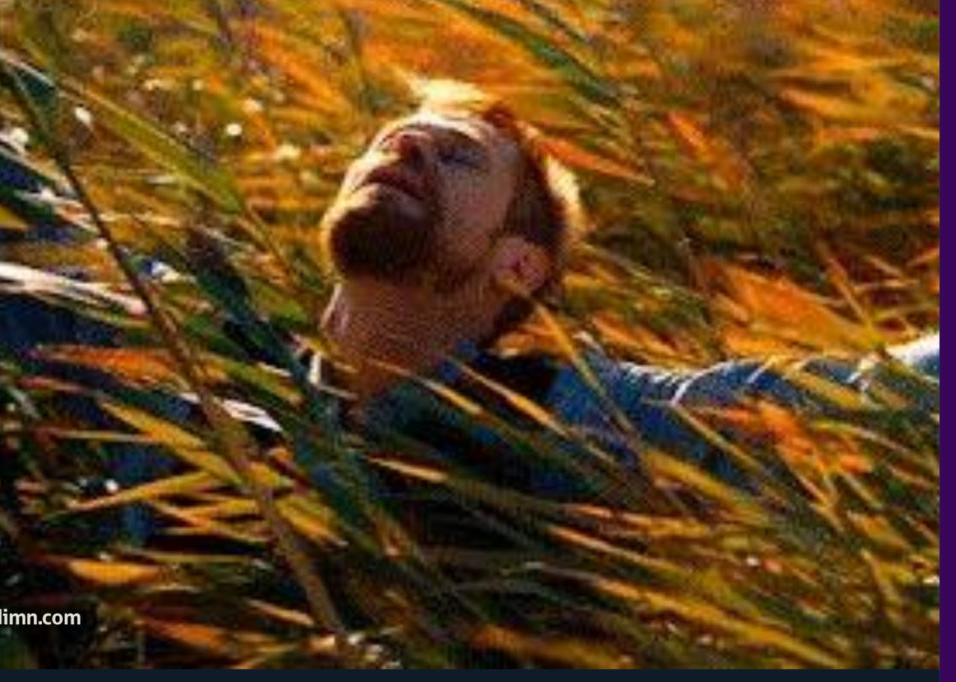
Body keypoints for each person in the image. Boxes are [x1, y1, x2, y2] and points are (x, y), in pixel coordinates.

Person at [313, 79, 939, 503]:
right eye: (388, 141)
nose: (407, 144)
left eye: (457, 157)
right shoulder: (259, 370)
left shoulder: (553, 418)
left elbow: (861, 400)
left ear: (518, 266)